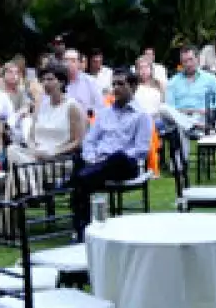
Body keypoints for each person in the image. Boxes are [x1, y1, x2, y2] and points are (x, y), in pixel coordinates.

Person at [72, 69, 152, 237]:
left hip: (126, 164)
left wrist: (110, 158)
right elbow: (89, 141)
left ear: (133, 87)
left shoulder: (141, 115)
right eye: (113, 84)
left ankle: (81, 224)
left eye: (120, 84)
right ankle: (83, 226)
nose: (116, 88)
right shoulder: (104, 113)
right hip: (99, 163)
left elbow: (141, 150)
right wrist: (92, 157)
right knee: (80, 158)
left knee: (117, 157)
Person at [22, 63, 88, 161]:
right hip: (37, 155)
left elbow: (78, 141)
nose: (45, 83)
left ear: (61, 82)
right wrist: (33, 149)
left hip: (59, 158)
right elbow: (31, 136)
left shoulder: (72, 106)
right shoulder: (40, 105)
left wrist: (53, 152)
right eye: (43, 80)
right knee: (12, 150)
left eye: (50, 79)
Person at [166, 47, 216, 129]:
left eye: (191, 60)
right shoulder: (173, 81)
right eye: (185, 61)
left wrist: (205, 111)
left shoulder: (211, 79)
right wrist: (183, 112)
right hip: (180, 116)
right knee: (163, 108)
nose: (188, 64)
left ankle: (188, 126)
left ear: (197, 59)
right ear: (181, 63)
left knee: (183, 124)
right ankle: (190, 126)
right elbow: (170, 106)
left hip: (202, 116)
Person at [62, 49, 103, 114]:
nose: (68, 64)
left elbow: (100, 107)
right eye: (66, 60)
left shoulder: (90, 82)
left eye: (73, 61)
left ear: (79, 63)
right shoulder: (58, 82)